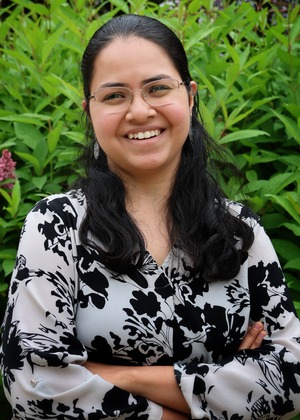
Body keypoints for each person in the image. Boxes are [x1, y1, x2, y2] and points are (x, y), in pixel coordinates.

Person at [1, 13, 300, 420]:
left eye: (158, 88)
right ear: (88, 110)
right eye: (114, 95)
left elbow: (293, 377)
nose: (140, 111)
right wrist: (216, 390)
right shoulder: (57, 226)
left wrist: (113, 375)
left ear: (190, 97)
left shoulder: (238, 232)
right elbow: (32, 385)